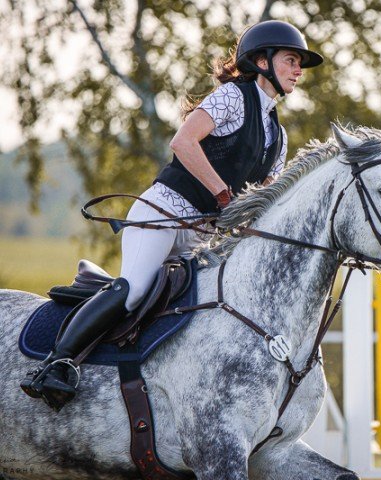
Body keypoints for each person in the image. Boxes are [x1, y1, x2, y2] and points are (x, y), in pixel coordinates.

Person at [20, 20, 323, 411]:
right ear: (262, 61)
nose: (299, 71)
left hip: (201, 236)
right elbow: (183, 141)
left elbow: (262, 201)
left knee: (207, 308)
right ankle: (56, 363)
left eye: (299, 64)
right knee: (135, 290)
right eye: (291, 60)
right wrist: (221, 193)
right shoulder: (232, 96)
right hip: (163, 213)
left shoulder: (277, 137)